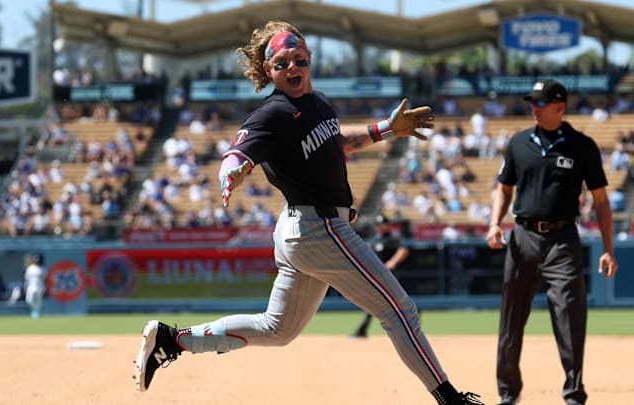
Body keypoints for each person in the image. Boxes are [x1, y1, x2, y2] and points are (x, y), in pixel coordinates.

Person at [133, 21, 483, 405]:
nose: (292, 68)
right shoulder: (273, 113)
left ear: (309, 60)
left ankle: (173, 341)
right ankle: (451, 399)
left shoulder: (317, 105)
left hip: (304, 230)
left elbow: (338, 143)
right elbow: (238, 149)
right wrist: (232, 169)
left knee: (278, 329)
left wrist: (386, 128)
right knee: (400, 310)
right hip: (320, 228)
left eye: (298, 60)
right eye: (281, 64)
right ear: (269, 72)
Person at [484, 79, 619, 405]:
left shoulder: (582, 146)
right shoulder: (518, 143)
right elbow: (504, 189)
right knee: (511, 318)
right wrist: (494, 224)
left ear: (560, 106)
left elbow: (600, 201)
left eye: (541, 103)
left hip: (562, 240)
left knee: (570, 315)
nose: (534, 107)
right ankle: (508, 392)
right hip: (523, 237)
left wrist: (609, 249)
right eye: (532, 102)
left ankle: (574, 392)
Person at [351, 214, 412, 338]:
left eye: (382, 224)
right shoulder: (376, 239)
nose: (380, 227)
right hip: (378, 276)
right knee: (377, 301)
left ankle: (363, 329)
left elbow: (403, 249)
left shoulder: (393, 238)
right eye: (378, 224)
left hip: (391, 276)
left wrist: (393, 262)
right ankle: (363, 329)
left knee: (395, 302)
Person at [24, 253, 47, 320]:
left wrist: (46, 289)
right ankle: (34, 310)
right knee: (29, 300)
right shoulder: (30, 268)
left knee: (39, 301)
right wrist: (25, 287)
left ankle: (36, 312)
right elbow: (26, 279)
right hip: (31, 286)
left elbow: (45, 279)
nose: (37, 261)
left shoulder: (43, 269)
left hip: (40, 286)